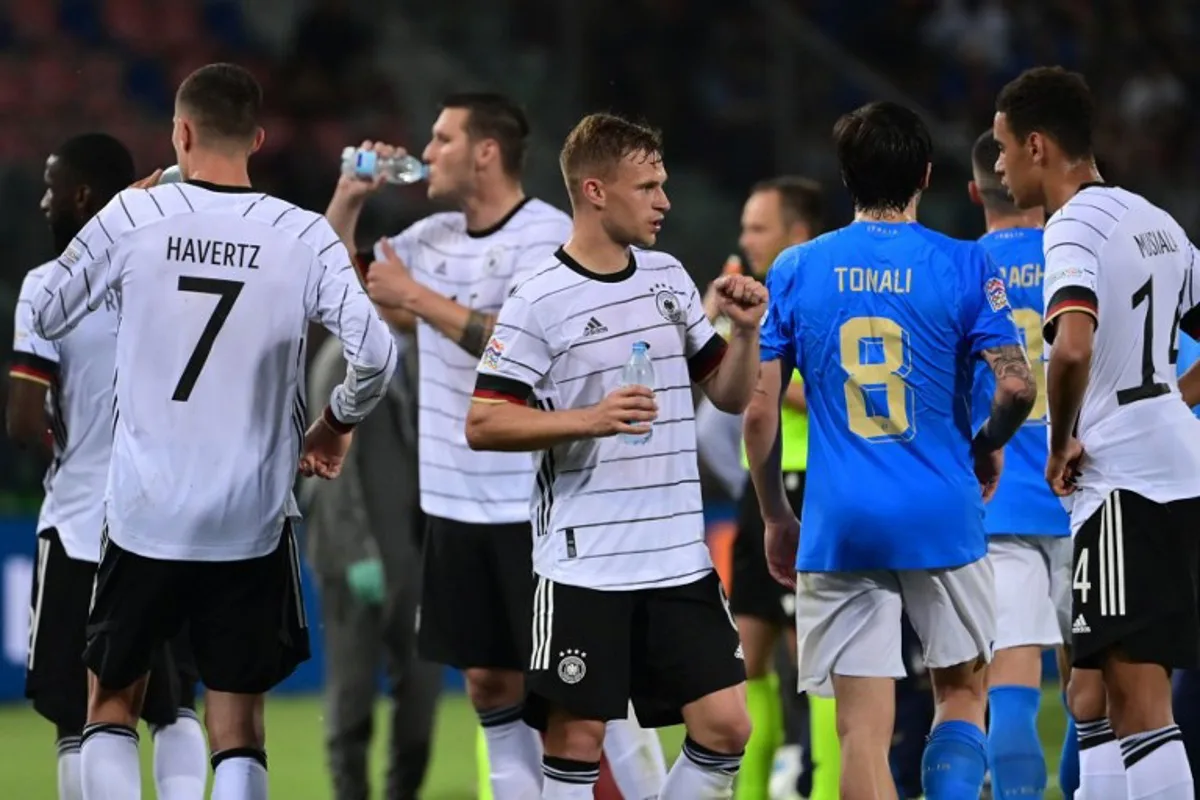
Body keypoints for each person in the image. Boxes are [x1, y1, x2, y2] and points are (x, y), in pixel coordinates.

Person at [29, 63, 397, 800]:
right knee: (237, 724)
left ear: (182, 133)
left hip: (142, 516)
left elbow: (47, 313)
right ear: (257, 139)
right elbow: (377, 355)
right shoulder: (302, 235)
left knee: (110, 704)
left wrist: (112, 222)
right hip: (251, 521)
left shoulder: (135, 219)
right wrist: (333, 425)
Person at [339, 94, 665, 800]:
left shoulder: (549, 238)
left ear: (485, 151)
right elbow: (343, 292)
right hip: (454, 509)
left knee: (585, 695)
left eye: (442, 137)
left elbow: (524, 349)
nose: (427, 152)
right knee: (489, 685)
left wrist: (418, 299)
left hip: (538, 510)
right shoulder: (430, 239)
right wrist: (348, 202)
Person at [465, 112, 763, 799]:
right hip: (584, 563)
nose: (664, 201)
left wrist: (743, 335)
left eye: (662, 184)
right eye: (648, 186)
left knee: (726, 726)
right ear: (595, 190)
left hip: (678, 559)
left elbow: (726, 393)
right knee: (575, 738)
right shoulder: (538, 299)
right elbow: (483, 421)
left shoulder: (667, 277)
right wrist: (589, 419)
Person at [744, 100, 1036, 800]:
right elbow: (1018, 386)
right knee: (963, 694)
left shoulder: (795, 268)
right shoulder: (964, 265)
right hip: (941, 508)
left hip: (840, 519)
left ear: (846, 176)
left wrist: (777, 515)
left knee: (859, 733)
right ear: (927, 175)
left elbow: (758, 414)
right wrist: (986, 445)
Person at [997, 65, 1200, 800]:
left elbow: (1072, 345)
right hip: (1174, 470)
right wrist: (1168, 399)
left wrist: (1061, 442)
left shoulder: (1072, 226)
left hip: (1124, 486)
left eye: (1003, 147)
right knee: (1091, 695)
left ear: (1039, 146)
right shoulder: (1156, 220)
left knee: (1140, 702)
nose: (998, 164)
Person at [9, 134, 208, 800]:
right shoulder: (172, 276)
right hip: (171, 519)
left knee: (78, 711)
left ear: (83, 195)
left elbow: (20, 420)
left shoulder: (48, 286)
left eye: (50, 185)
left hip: (80, 522)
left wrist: (61, 443)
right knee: (174, 703)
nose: (43, 200)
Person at [967, 128, 1076, 798]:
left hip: (994, 502)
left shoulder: (958, 269)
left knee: (1008, 692)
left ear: (974, 190)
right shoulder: (1084, 257)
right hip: (1083, 499)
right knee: (1089, 693)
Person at [301, 331, 441, 800]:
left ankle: (403, 794)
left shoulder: (421, 351)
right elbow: (328, 463)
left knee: (421, 698)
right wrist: (359, 552)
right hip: (351, 556)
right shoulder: (342, 357)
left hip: (416, 553)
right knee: (352, 698)